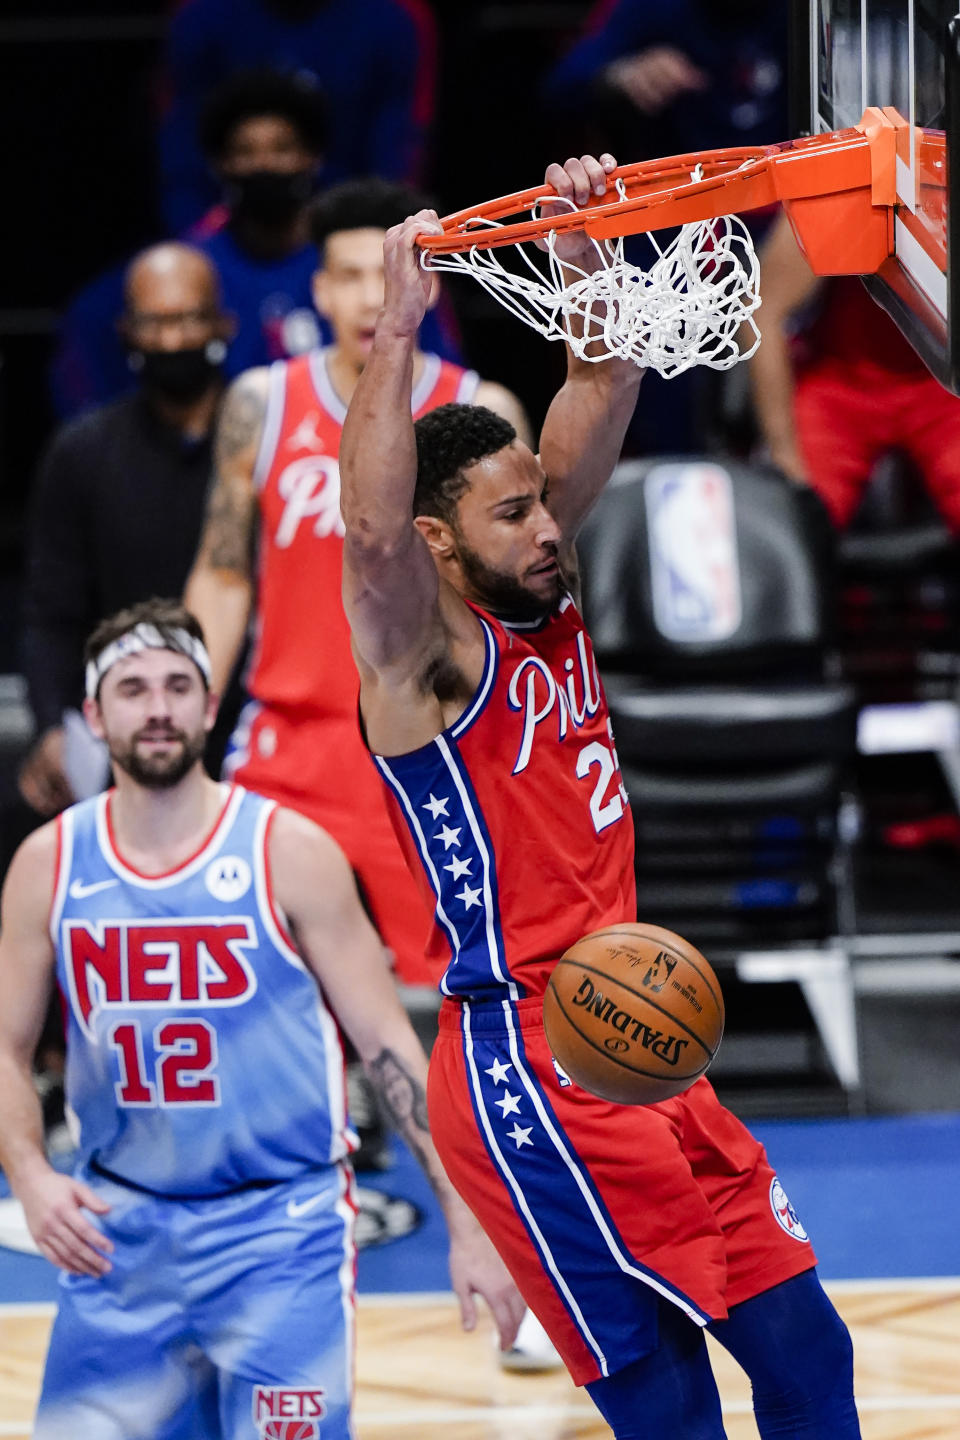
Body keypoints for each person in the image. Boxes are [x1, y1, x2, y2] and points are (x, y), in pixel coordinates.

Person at [337, 153, 863, 1437]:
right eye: (513, 514)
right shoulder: (425, 652)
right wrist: (397, 333)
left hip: (629, 1037)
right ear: (445, 542)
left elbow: (598, 380)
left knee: (807, 1348)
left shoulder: (545, 589)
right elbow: (367, 537)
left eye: (542, 503)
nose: (549, 526)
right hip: (528, 1054)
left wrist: (585, 255)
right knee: (668, 1403)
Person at [0, 597, 522, 1439]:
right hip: (118, 1237)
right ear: (95, 716)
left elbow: (390, 1046)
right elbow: (6, 1045)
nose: (159, 707)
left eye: (179, 686)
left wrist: (471, 1224)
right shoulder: (47, 864)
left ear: (212, 706)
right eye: (132, 689)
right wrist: (28, 1173)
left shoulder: (289, 851)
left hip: (280, 1238)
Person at [184, 178, 530, 990]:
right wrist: (192, 702)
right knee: (260, 987)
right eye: (349, 274)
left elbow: (510, 599)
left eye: (389, 272)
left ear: (428, 282)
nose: (370, 296)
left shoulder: (479, 408)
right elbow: (224, 574)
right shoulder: (261, 403)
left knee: (440, 994)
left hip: (431, 746)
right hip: (291, 747)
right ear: (318, 288)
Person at [19, 243, 234, 820]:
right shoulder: (83, 453)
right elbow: (51, 611)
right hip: (130, 724)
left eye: (188, 318)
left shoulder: (267, 442)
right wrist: (50, 728)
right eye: (154, 322)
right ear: (126, 332)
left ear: (223, 323)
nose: (171, 341)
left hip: (248, 720)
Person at [750, 206, 960, 531]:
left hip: (943, 388)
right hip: (843, 386)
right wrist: (786, 460)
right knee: (795, 527)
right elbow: (763, 312)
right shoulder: (845, 184)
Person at [158, 0, 437, 233]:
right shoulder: (201, 16)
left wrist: (376, 236)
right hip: (225, 231)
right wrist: (195, 240)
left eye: (281, 148)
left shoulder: (393, 19)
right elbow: (182, 152)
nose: (267, 162)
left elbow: (398, 151)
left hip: (352, 229)